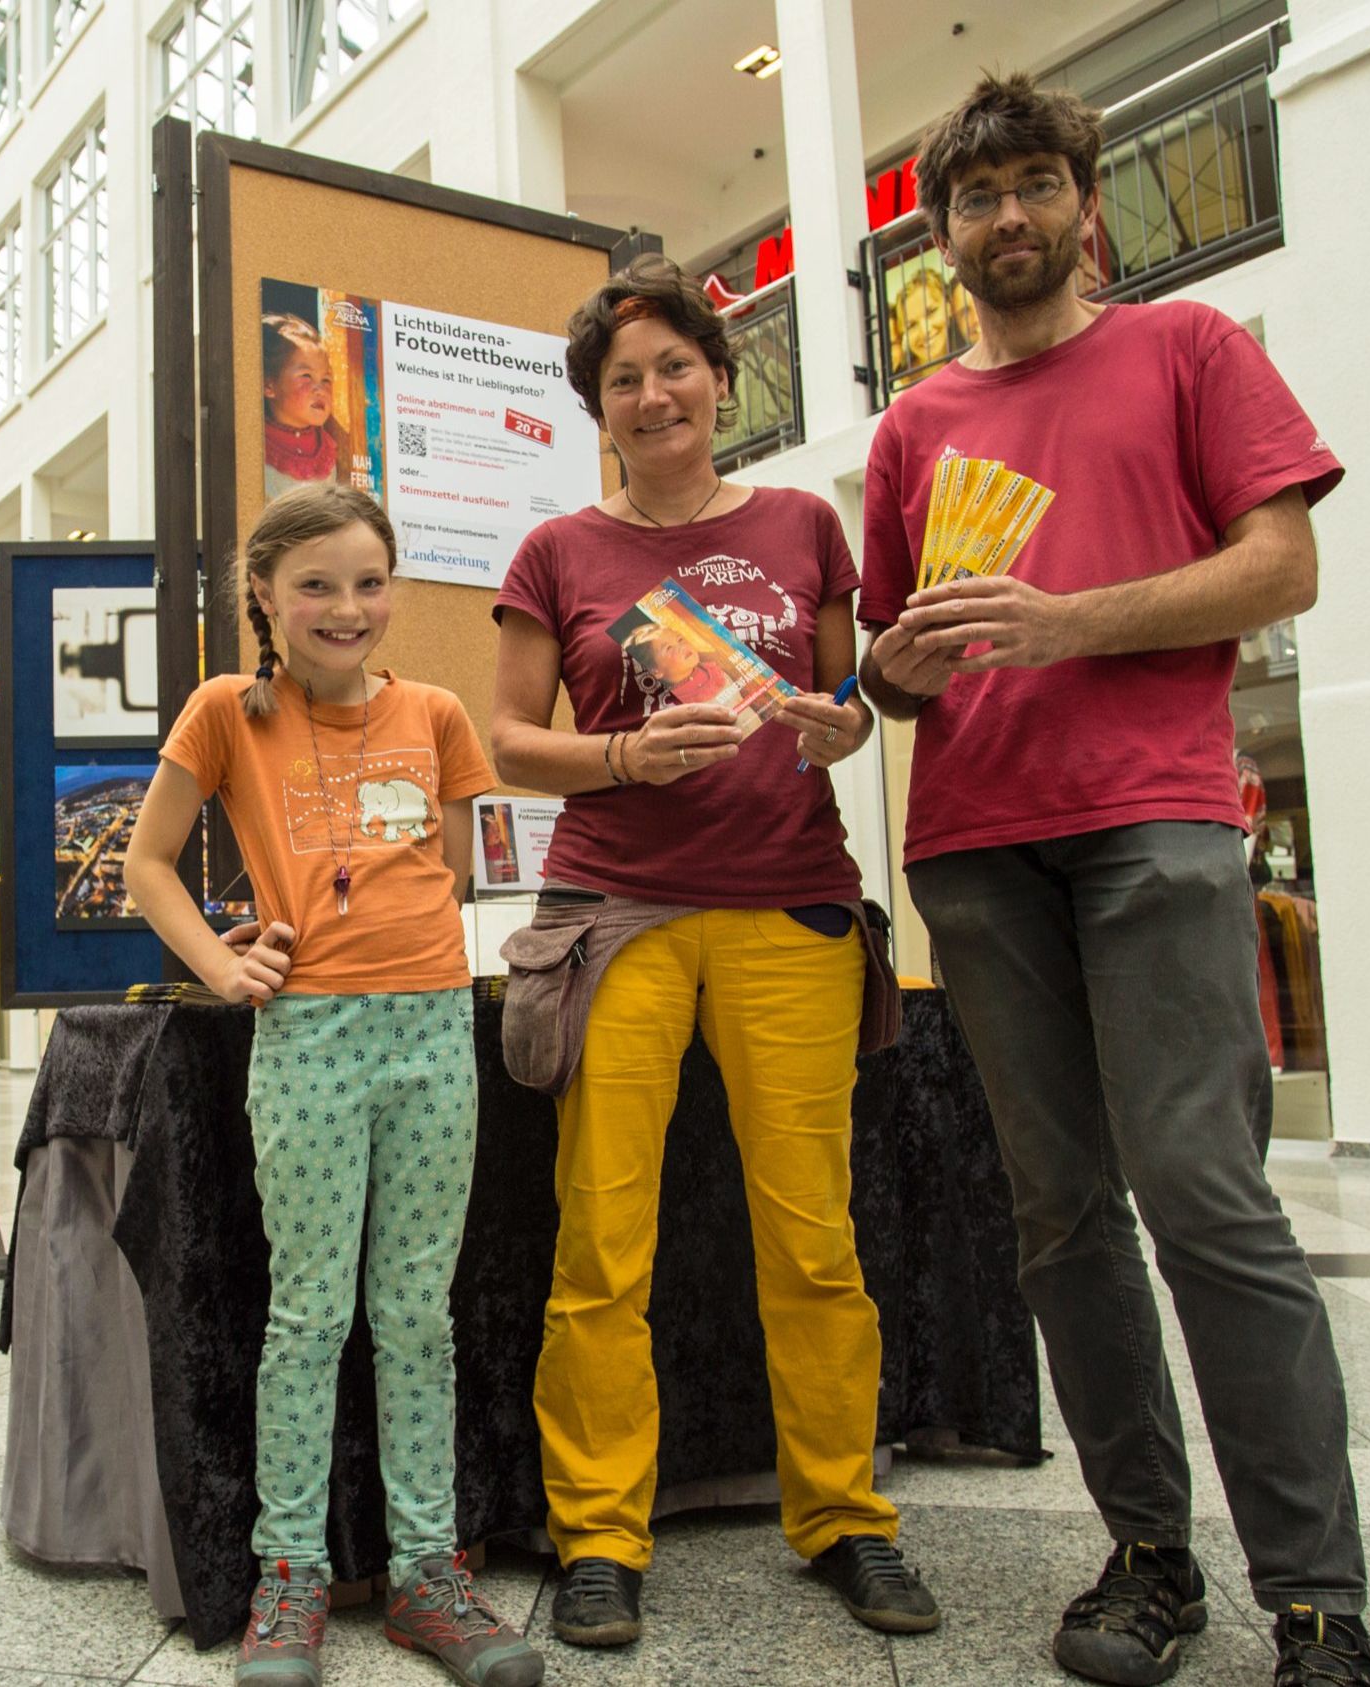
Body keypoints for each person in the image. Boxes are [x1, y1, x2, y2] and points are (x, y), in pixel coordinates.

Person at [857, 73, 1370, 1687]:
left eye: (1032, 184)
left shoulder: (1191, 350)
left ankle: (1316, 1598)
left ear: (1085, 200)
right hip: (974, 842)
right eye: (974, 196)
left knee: (1206, 1193)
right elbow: (890, 665)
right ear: (939, 236)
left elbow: (1282, 563)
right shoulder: (912, 426)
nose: (1005, 217)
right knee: (1062, 1216)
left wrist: (1071, 619)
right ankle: (1149, 1554)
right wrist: (896, 660)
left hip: (1155, 819)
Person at [488, 254, 938, 1650]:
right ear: (599, 411)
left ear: (720, 379)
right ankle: (599, 1533)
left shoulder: (805, 524)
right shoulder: (557, 550)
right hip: (613, 918)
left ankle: (845, 1515)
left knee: (813, 1238)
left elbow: (851, 699)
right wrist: (622, 750)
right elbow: (508, 739)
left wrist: (840, 726)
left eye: (675, 364)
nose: (653, 391)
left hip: (788, 905)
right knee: (600, 1247)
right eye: (623, 378)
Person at [123, 482, 538, 1687]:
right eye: (316, 584)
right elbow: (149, 863)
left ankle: (425, 1574)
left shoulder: (441, 714)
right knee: (309, 1316)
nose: (346, 608)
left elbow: (447, 875)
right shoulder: (223, 714)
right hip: (307, 1036)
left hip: (431, 1032)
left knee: (419, 1314)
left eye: (368, 582)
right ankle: (290, 1575)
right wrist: (220, 960)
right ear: (264, 595)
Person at [262, 314, 347, 498]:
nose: (320, 389)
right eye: (306, 376)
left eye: (326, 379)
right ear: (269, 386)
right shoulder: (258, 446)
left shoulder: (329, 449)